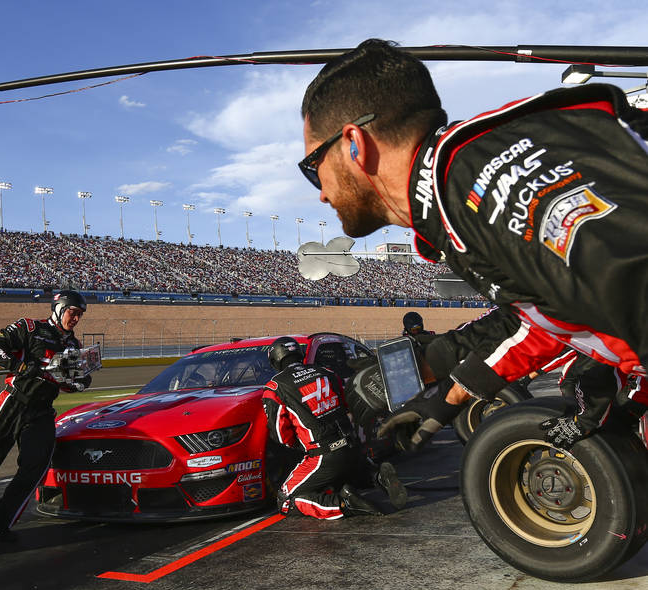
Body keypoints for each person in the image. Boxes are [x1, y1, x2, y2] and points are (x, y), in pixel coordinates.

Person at [299, 38, 648, 449]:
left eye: (312, 166)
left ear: (354, 143)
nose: (320, 193)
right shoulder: (462, 188)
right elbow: (549, 316)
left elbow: (628, 281)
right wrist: (445, 398)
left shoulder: (487, 182)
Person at [0, 290, 92, 541]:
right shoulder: (29, 327)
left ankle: (0, 523)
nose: (76, 318)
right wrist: (21, 366)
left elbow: (65, 384)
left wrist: (78, 382)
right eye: (73, 312)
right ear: (58, 309)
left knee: (34, 469)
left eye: (80, 315)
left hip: (43, 411)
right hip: (13, 402)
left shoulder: (73, 345)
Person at [261, 337, 406, 519]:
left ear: (275, 360)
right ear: (299, 353)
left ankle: (343, 504)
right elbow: (347, 405)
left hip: (323, 454)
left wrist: (298, 446)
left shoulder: (274, 387)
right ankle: (377, 476)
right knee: (342, 473)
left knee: (286, 501)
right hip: (353, 446)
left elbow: (281, 436)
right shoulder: (326, 372)